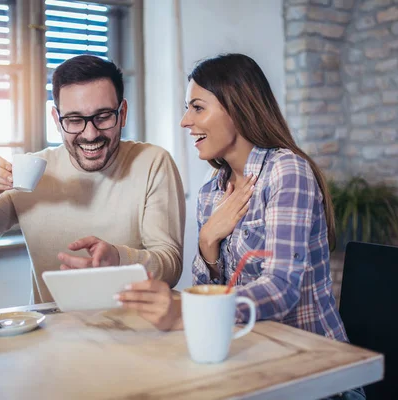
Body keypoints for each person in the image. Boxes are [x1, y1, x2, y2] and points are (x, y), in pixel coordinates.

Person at [117, 53, 364, 400]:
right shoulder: (211, 188)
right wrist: (207, 242)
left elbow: (281, 290)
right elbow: (207, 289)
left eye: (197, 107)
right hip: (250, 365)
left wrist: (186, 310)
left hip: (318, 376)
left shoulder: (287, 171)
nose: (185, 121)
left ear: (237, 107)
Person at [0, 55, 186, 304]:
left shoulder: (153, 162)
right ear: (57, 120)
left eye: (103, 117)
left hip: (133, 328)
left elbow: (171, 266)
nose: (90, 134)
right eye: (74, 120)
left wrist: (119, 259)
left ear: (122, 113)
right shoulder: (33, 171)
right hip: (50, 332)